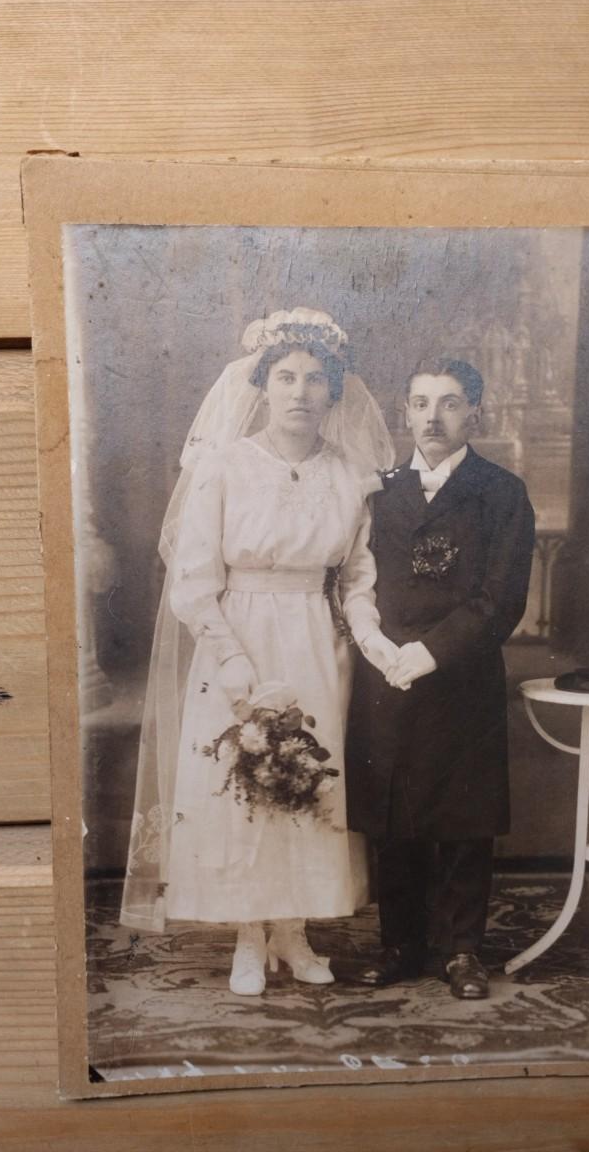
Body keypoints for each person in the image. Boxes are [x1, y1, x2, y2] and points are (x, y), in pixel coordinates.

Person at [119, 308, 397, 996]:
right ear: (262, 387)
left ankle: (293, 932)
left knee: (308, 782)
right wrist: (234, 665)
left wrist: (368, 641)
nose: (299, 392)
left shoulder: (349, 476)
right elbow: (191, 583)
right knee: (243, 785)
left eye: (313, 380)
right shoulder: (223, 466)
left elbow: (358, 576)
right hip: (237, 638)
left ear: (333, 393)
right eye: (285, 378)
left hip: (314, 641)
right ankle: (249, 936)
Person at [345, 357, 536, 1000]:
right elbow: (357, 578)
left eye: (450, 403)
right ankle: (400, 945)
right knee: (395, 812)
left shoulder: (502, 492)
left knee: (462, 814)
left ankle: (461, 951)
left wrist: (431, 652)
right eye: (421, 403)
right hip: (388, 670)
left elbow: (501, 597)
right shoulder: (380, 491)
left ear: (474, 413)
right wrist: (383, 649)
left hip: (460, 672)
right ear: (404, 412)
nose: (433, 417)